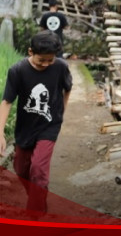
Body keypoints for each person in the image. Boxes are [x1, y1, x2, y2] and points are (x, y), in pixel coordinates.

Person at [0, 30, 72, 213]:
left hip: (49, 125)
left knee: (38, 171)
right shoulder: (18, 71)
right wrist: (0, 132)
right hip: (25, 127)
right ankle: (38, 199)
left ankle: (35, 214)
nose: (47, 64)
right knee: (21, 170)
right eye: (42, 60)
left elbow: (67, 88)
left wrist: (62, 111)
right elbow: (7, 101)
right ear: (30, 52)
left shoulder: (60, 67)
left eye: (51, 60)